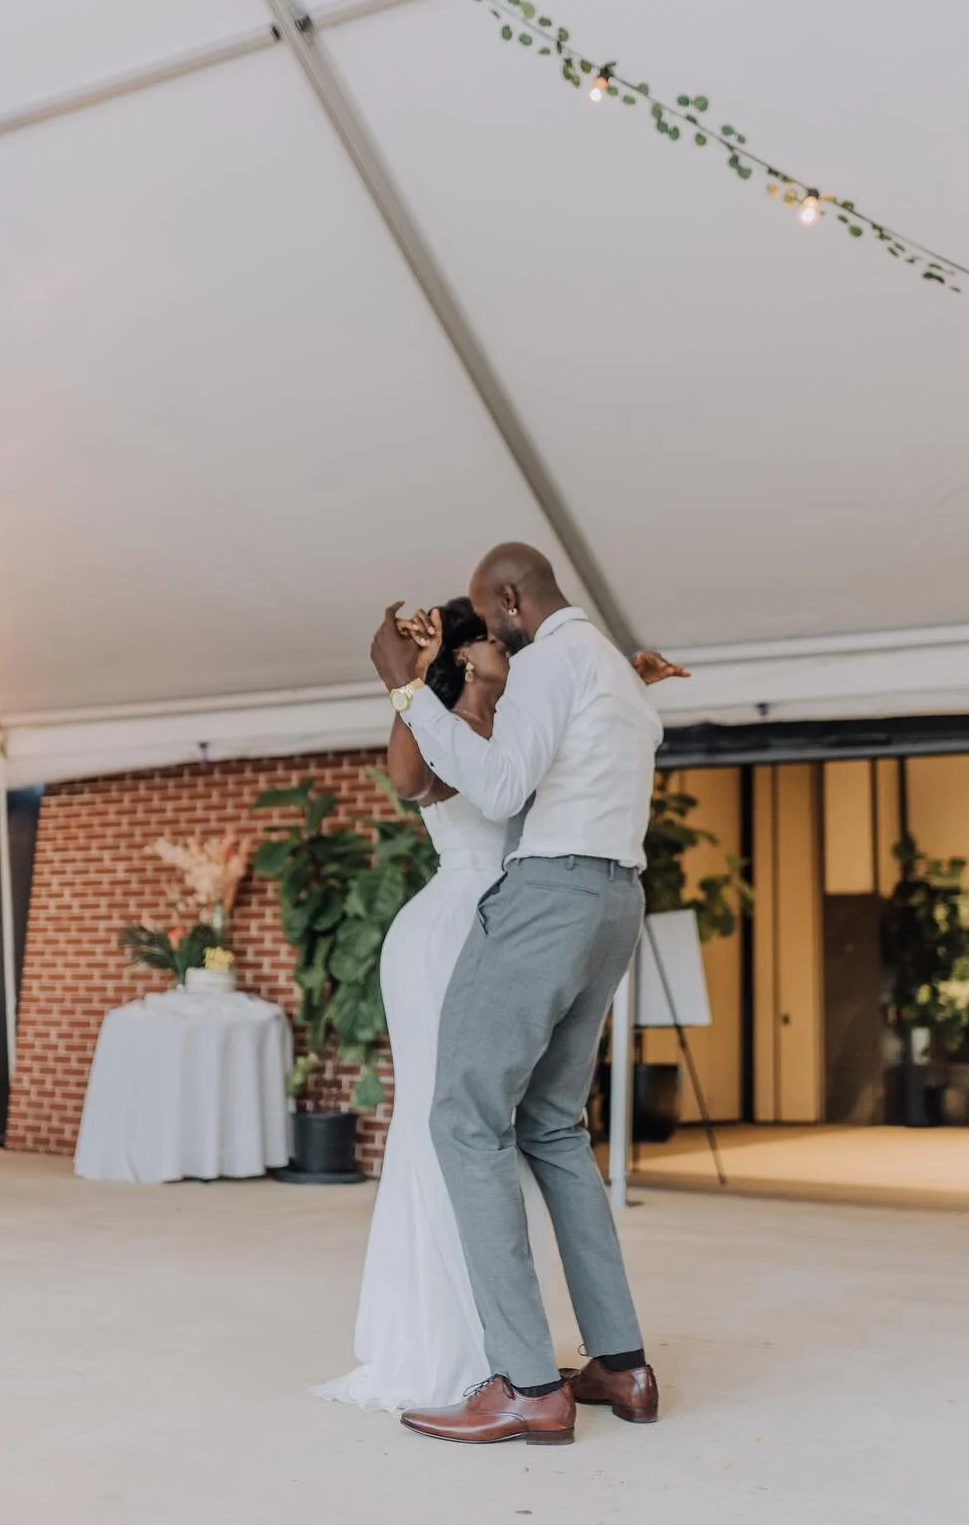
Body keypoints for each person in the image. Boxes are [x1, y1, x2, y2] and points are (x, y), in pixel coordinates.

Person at [321, 595, 684, 1419]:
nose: (508, 646)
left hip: (528, 926)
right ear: (464, 656)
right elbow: (410, 779)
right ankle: (464, 1343)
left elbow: (577, 750)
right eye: (490, 639)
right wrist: (410, 686)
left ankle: (528, 1373)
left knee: (520, 1127)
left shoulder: (528, 720)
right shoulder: (447, 722)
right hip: (457, 932)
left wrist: (623, 683)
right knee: (457, 1123)